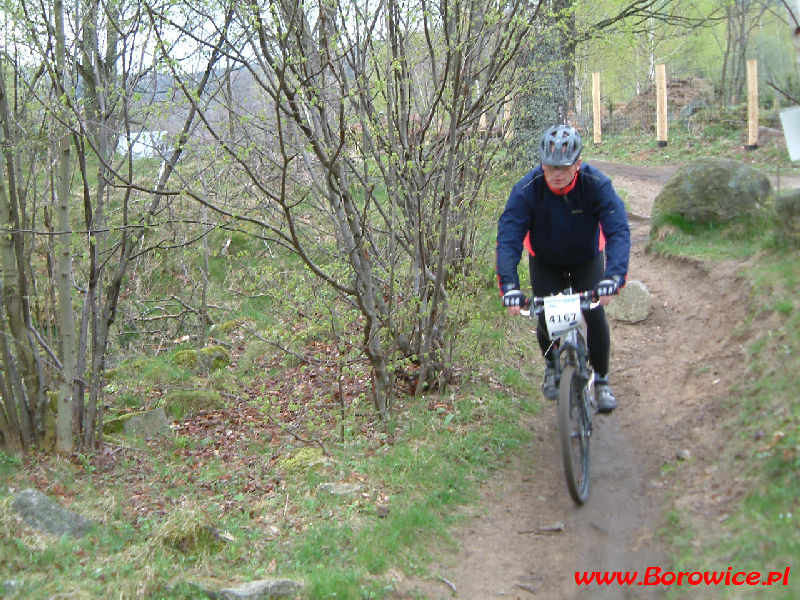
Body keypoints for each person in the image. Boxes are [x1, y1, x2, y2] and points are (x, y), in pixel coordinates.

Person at [495, 124, 630, 413]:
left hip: (586, 257)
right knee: (544, 315)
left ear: (577, 164)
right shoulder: (528, 188)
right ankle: (552, 365)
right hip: (545, 259)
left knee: (594, 314)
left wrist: (614, 276)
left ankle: (602, 380)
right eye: (549, 167)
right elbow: (509, 235)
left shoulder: (596, 183)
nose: (556, 174)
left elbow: (618, 229)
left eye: (563, 167)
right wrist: (509, 286)